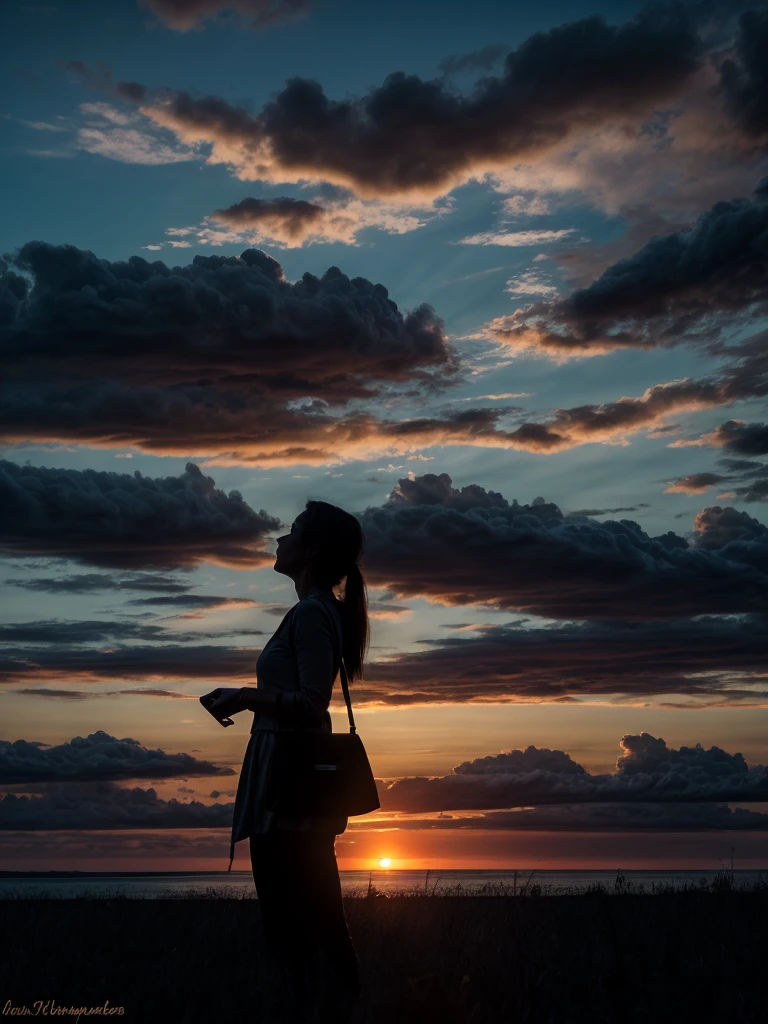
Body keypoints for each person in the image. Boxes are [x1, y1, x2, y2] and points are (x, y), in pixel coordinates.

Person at [201, 499, 368, 1020]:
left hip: (292, 781)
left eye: (290, 531)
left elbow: (312, 702)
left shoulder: (314, 612)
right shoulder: (313, 612)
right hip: (286, 774)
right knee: (308, 911)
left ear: (311, 549)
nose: (279, 540)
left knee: (299, 916)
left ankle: (331, 1005)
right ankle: (336, 1004)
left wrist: (246, 697)